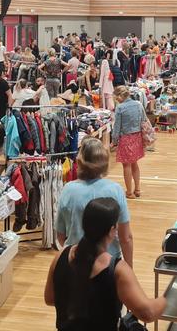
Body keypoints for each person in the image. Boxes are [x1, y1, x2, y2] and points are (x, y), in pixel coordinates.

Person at [45, 198, 165, 331]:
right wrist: (167, 300)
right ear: (112, 230)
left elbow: (49, 298)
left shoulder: (60, 256)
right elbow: (147, 313)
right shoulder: (117, 270)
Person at [56, 138, 134, 266]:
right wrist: (128, 268)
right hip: (108, 263)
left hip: (75, 262)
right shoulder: (115, 190)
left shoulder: (67, 190)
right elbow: (126, 238)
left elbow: (60, 235)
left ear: (79, 161)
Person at [111, 86, 147, 199]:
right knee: (134, 163)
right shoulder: (138, 104)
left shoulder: (120, 108)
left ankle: (129, 192)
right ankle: (137, 189)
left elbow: (117, 127)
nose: (116, 100)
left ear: (120, 96)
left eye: (116, 97)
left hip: (125, 138)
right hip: (137, 137)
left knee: (126, 165)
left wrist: (114, 141)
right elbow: (144, 120)